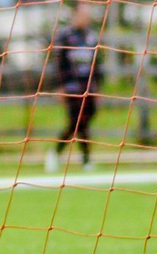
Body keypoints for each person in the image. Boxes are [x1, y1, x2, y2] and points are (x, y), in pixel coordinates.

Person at [46, 4, 102, 173]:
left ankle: (57, 153)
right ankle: (84, 159)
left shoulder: (91, 37)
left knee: (83, 121)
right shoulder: (65, 37)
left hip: (88, 87)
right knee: (78, 121)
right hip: (71, 88)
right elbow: (58, 64)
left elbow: (97, 64)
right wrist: (59, 87)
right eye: (83, 15)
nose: (86, 18)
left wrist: (98, 86)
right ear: (75, 16)